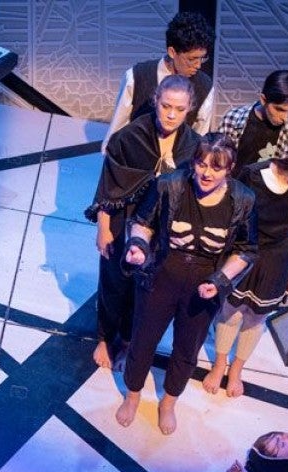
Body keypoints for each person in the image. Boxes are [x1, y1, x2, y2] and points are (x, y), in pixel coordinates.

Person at [118, 133, 257, 434]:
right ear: (193, 162)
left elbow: (247, 249)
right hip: (164, 272)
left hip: (205, 281)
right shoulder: (170, 183)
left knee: (187, 348)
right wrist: (138, 246)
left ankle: (168, 402)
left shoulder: (244, 199)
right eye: (201, 164)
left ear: (229, 169)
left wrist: (219, 281)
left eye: (216, 168)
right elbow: (142, 221)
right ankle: (132, 395)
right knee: (143, 339)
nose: (207, 173)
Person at [88, 75, 202, 369]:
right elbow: (107, 184)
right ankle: (104, 335)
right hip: (123, 219)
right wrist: (103, 228)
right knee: (114, 282)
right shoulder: (129, 137)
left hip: (161, 228)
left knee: (145, 290)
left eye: (179, 108)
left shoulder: (193, 146)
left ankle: (127, 340)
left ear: (190, 108)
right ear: (155, 101)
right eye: (166, 106)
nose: (172, 114)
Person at [203, 145, 288, 397]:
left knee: (255, 317)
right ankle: (220, 364)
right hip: (244, 251)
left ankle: (237, 370)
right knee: (230, 311)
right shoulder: (254, 176)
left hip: (277, 258)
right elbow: (229, 214)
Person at [102, 11, 215, 153]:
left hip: (177, 168)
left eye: (202, 58)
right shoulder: (137, 76)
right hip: (136, 162)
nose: (198, 65)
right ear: (172, 52)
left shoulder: (204, 86)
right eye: (192, 59)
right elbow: (117, 130)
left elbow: (199, 140)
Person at [216, 70, 288, 177]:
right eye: (279, 109)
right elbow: (217, 161)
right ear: (263, 99)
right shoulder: (233, 119)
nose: (285, 118)